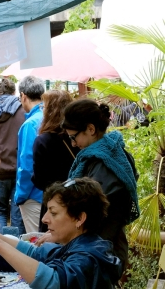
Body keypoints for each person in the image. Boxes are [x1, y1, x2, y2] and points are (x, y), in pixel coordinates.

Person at [62, 99, 139, 270]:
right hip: (101, 248)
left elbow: (90, 209)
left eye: (74, 137)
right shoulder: (106, 154)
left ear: (91, 129)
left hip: (101, 252)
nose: (73, 143)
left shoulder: (105, 162)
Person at [32, 90, 78, 232]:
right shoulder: (77, 138)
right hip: (77, 201)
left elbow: (40, 180)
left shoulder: (43, 141)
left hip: (53, 202)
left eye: (44, 107)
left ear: (50, 111)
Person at [0, 78, 26, 236]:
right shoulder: (22, 110)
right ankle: (15, 248)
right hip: (17, 168)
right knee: (17, 212)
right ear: (15, 92)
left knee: (0, 209)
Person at [14, 76, 45, 233]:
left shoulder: (30, 124)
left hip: (33, 196)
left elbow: (27, 164)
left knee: (36, 243)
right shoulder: (50, 117)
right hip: (50, 195)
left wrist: (20, 196)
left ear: (23, 96)